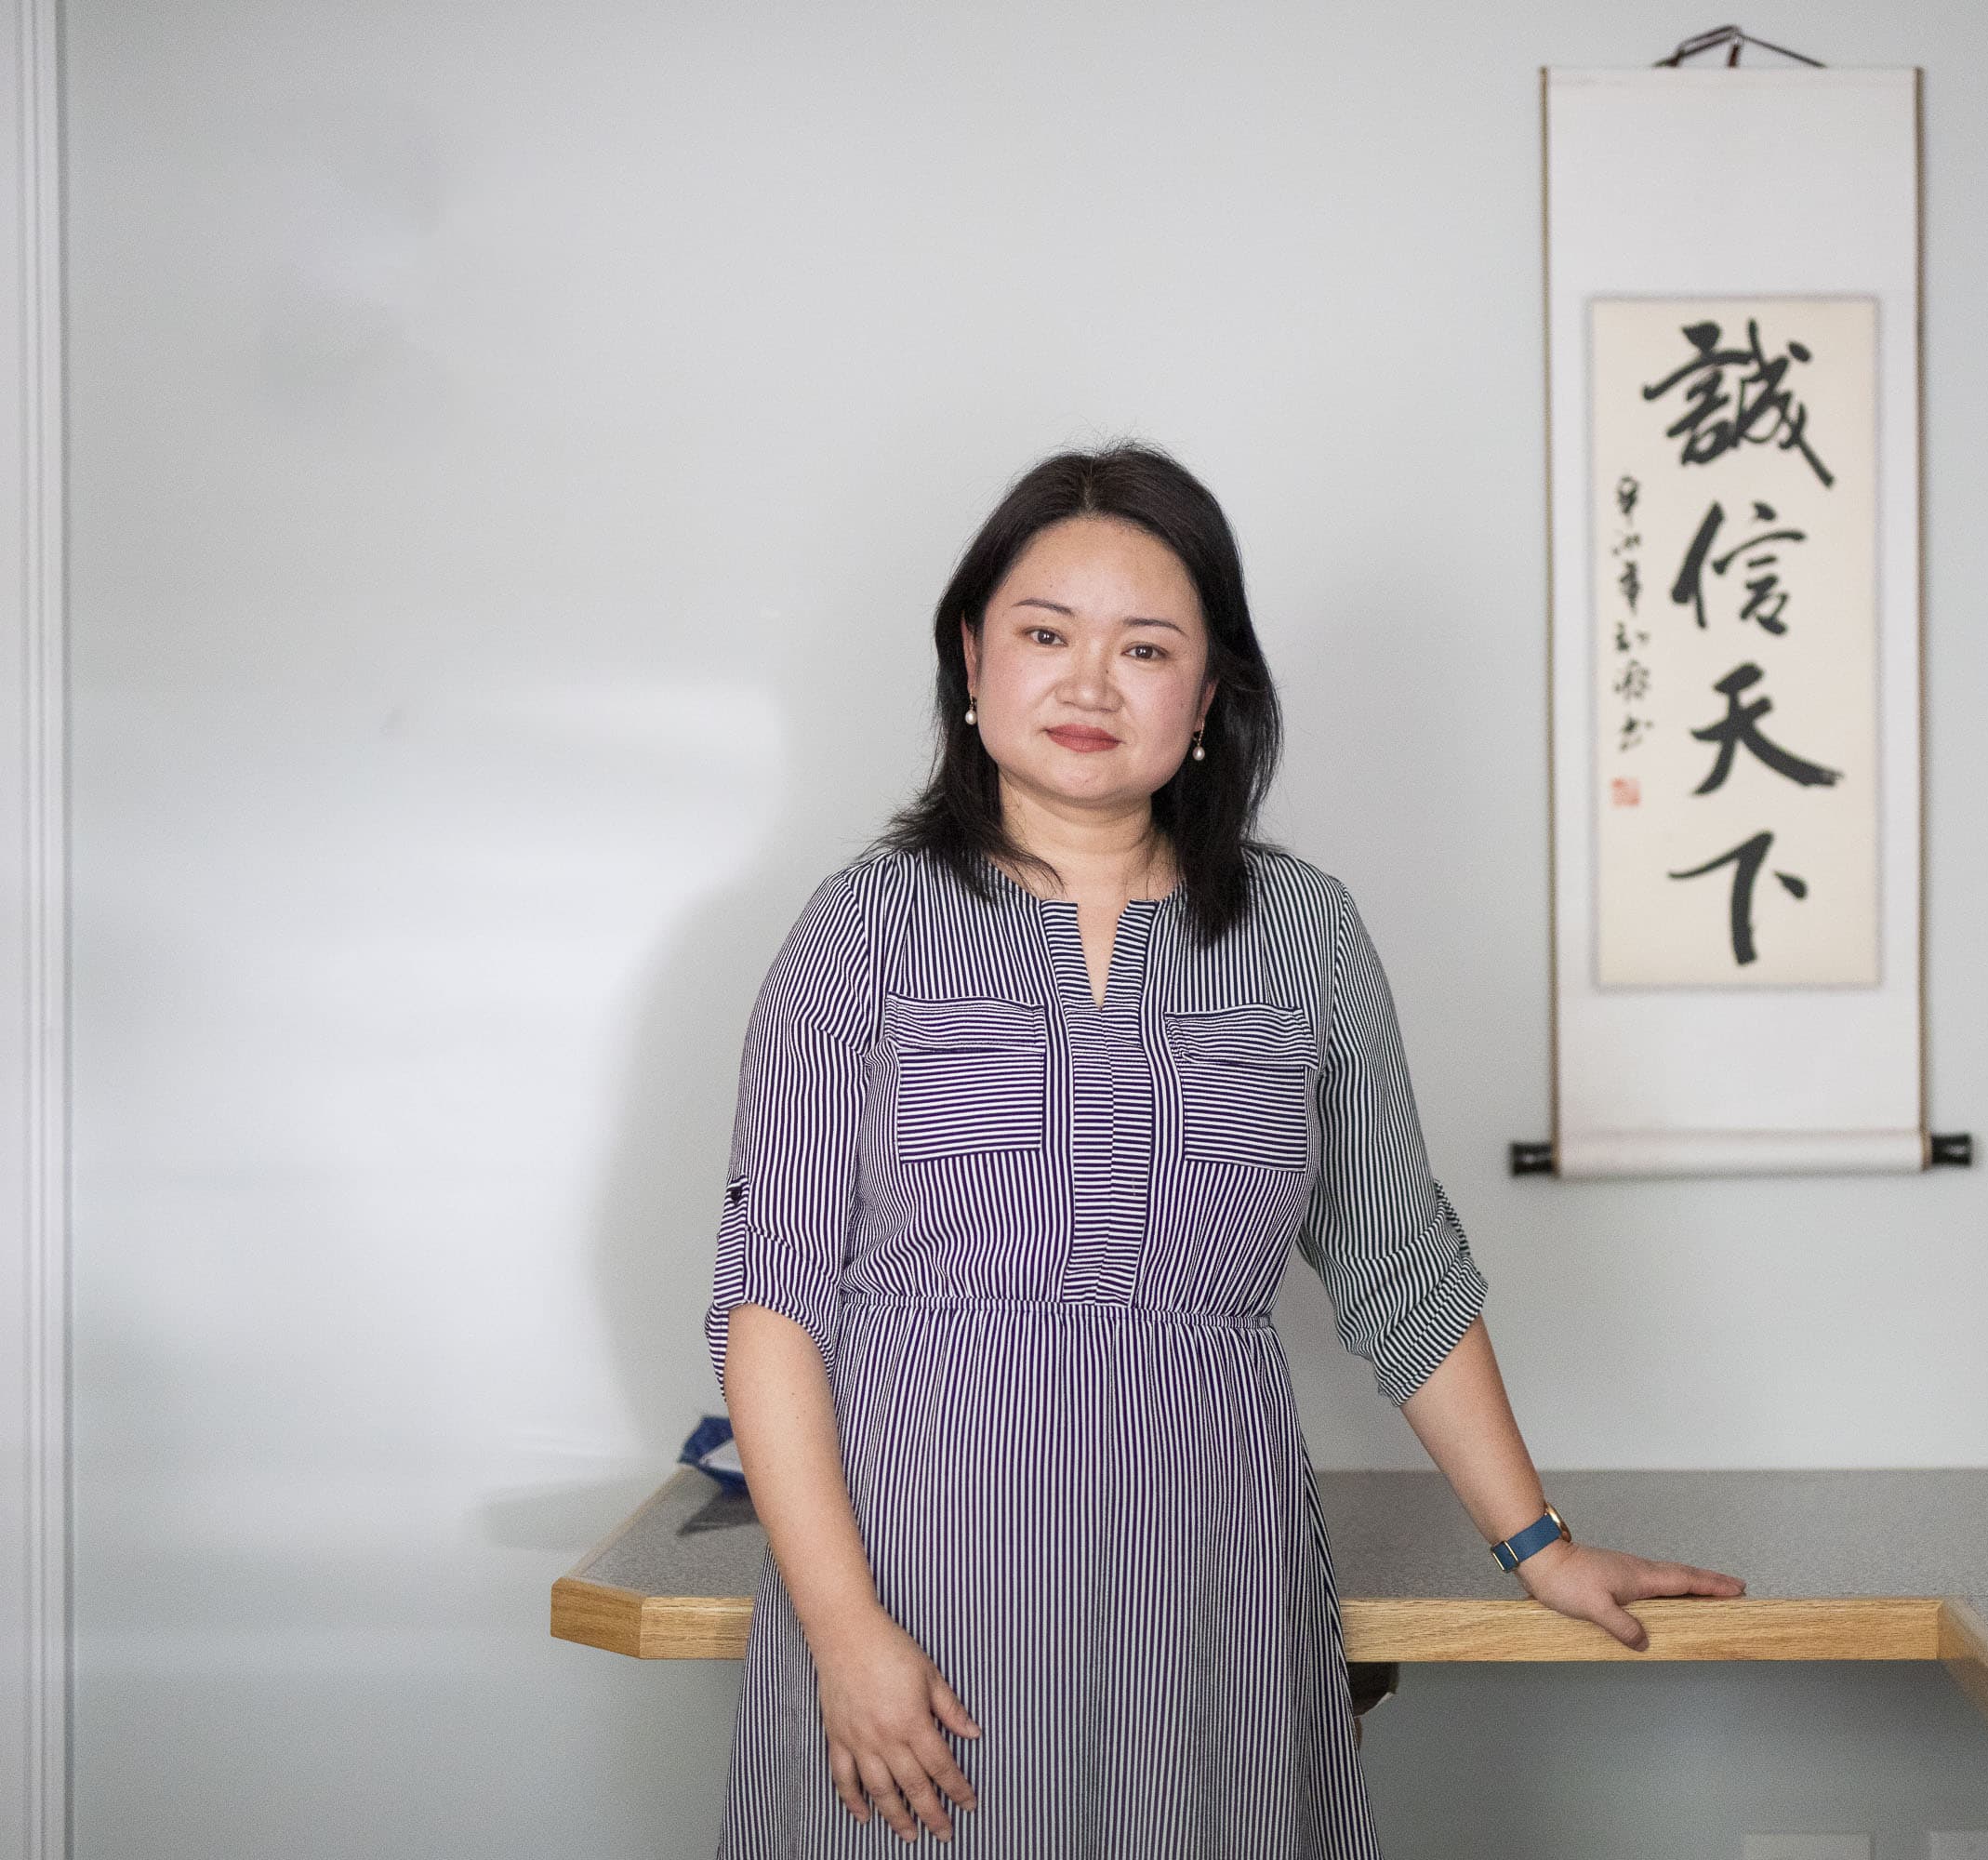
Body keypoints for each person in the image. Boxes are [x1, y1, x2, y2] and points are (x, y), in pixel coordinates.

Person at [709, 443, 1745, 1855]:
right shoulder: (862, 928)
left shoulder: (1307, 937)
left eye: (1146, 648)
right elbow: (772, 1305)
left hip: (1208, 1583)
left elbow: (1399, 1270)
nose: (1089, 684)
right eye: (1043, 634)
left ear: (1208, 696)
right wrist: (844, 1631)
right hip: (910, 1588)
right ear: (971, 658)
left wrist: (1538, 1546)